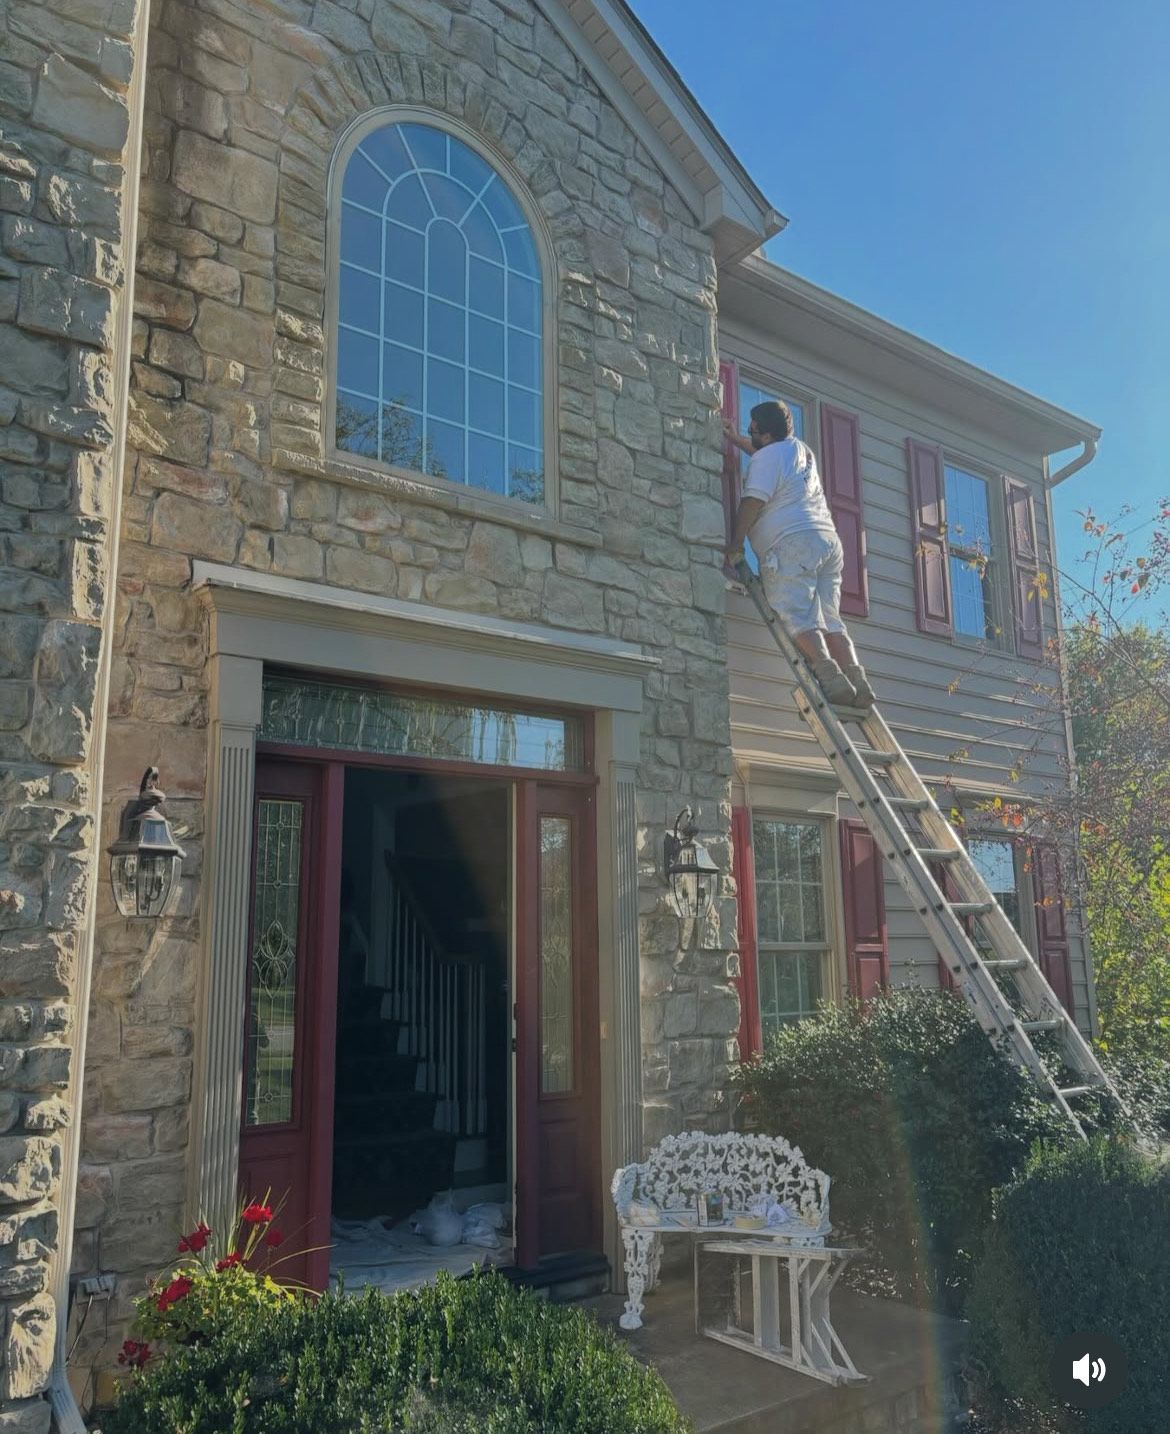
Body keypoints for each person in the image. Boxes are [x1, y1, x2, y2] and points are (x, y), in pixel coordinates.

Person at [724, 399, 876, 708]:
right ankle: (857, 681)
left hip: (791, 544)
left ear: (763, 433)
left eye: (752, 429)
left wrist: (736, 543)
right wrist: (738, 441)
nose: (749, 433)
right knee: (830, 620)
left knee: (797, 616)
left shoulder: (766, 459)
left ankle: (830, 676)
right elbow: (770, 458)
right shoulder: (800, 450)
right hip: (827, 542)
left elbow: (753, 501)